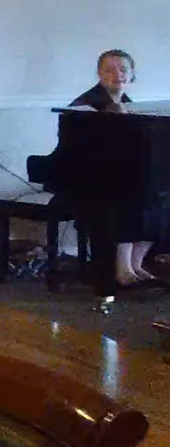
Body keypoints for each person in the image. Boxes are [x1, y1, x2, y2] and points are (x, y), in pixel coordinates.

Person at [70, 49, 155, 284]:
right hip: (90, 177)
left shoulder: (129, 104)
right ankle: (122, 269)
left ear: (132, 74)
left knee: (159, 201)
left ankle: (136, 263)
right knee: (128, 197)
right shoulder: (83, 104)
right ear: (99, 74)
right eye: (109, 69)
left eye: (123, 69)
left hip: (120, 175)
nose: (117, 74)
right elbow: (82, 152)